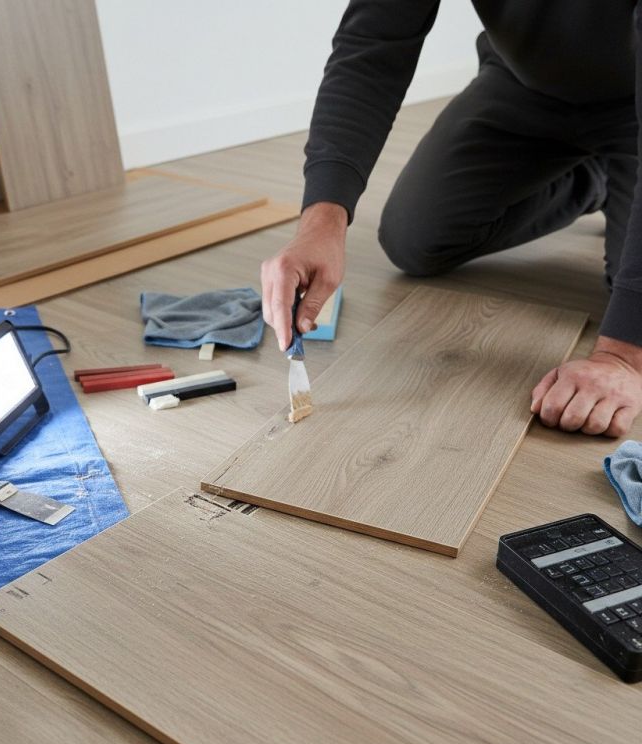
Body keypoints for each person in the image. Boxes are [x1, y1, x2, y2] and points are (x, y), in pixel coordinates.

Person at [261, 1, 642, 437]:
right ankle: (598, 182)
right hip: (525, 85)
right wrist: (322, 218)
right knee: (415, 239)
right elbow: (372, 47)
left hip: (633, 101)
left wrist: (624, 356)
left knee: (624, 305)